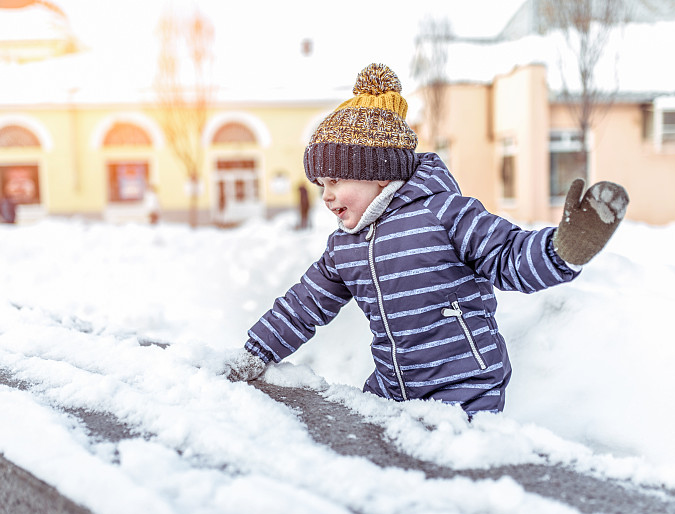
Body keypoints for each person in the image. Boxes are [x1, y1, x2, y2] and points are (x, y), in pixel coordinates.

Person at [227, 63, 629, 415]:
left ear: (377, 173)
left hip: (464, 387)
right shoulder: (343, 248)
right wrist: (256, 352)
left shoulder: (444, 213)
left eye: (335, 180)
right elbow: (303, 305)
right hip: (393, 389)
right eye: (320, 184)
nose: (326, 194)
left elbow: (506, 256)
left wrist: (561, 250)